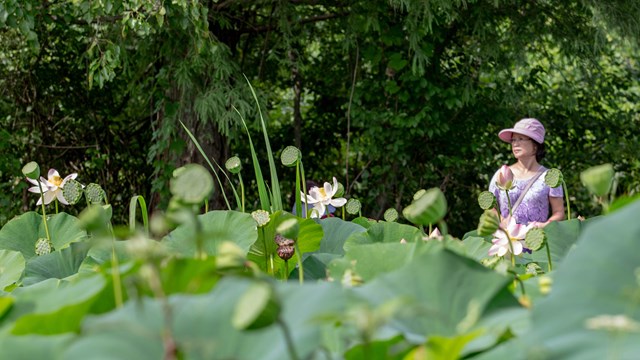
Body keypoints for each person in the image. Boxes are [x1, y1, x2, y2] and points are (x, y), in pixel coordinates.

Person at [488, 118, 565, 227]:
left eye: (520, 139)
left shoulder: (549, 176)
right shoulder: (502, 174)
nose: (515, 144)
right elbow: (491, 209)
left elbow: (559, 213)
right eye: (513, 140)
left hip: (536, 240)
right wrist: (503, 224)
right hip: (507, 241)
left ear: (535, 145)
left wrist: (544, 226)